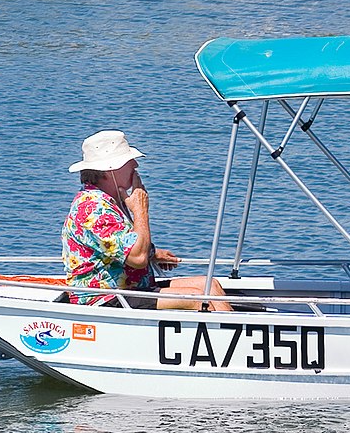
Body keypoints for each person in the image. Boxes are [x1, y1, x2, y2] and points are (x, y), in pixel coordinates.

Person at [62, 130, 232, 311]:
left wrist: (153, 253)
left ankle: (234, 331)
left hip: (131, 287)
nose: (135, 165)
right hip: (105, 297)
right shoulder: (93, 208)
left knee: (209, 285)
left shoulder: (111, 199)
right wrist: (141, 210)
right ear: (108, 169)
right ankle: (228, 331)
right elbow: (137, 257)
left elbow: (117, 245)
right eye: (128, 161)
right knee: (198, 298)